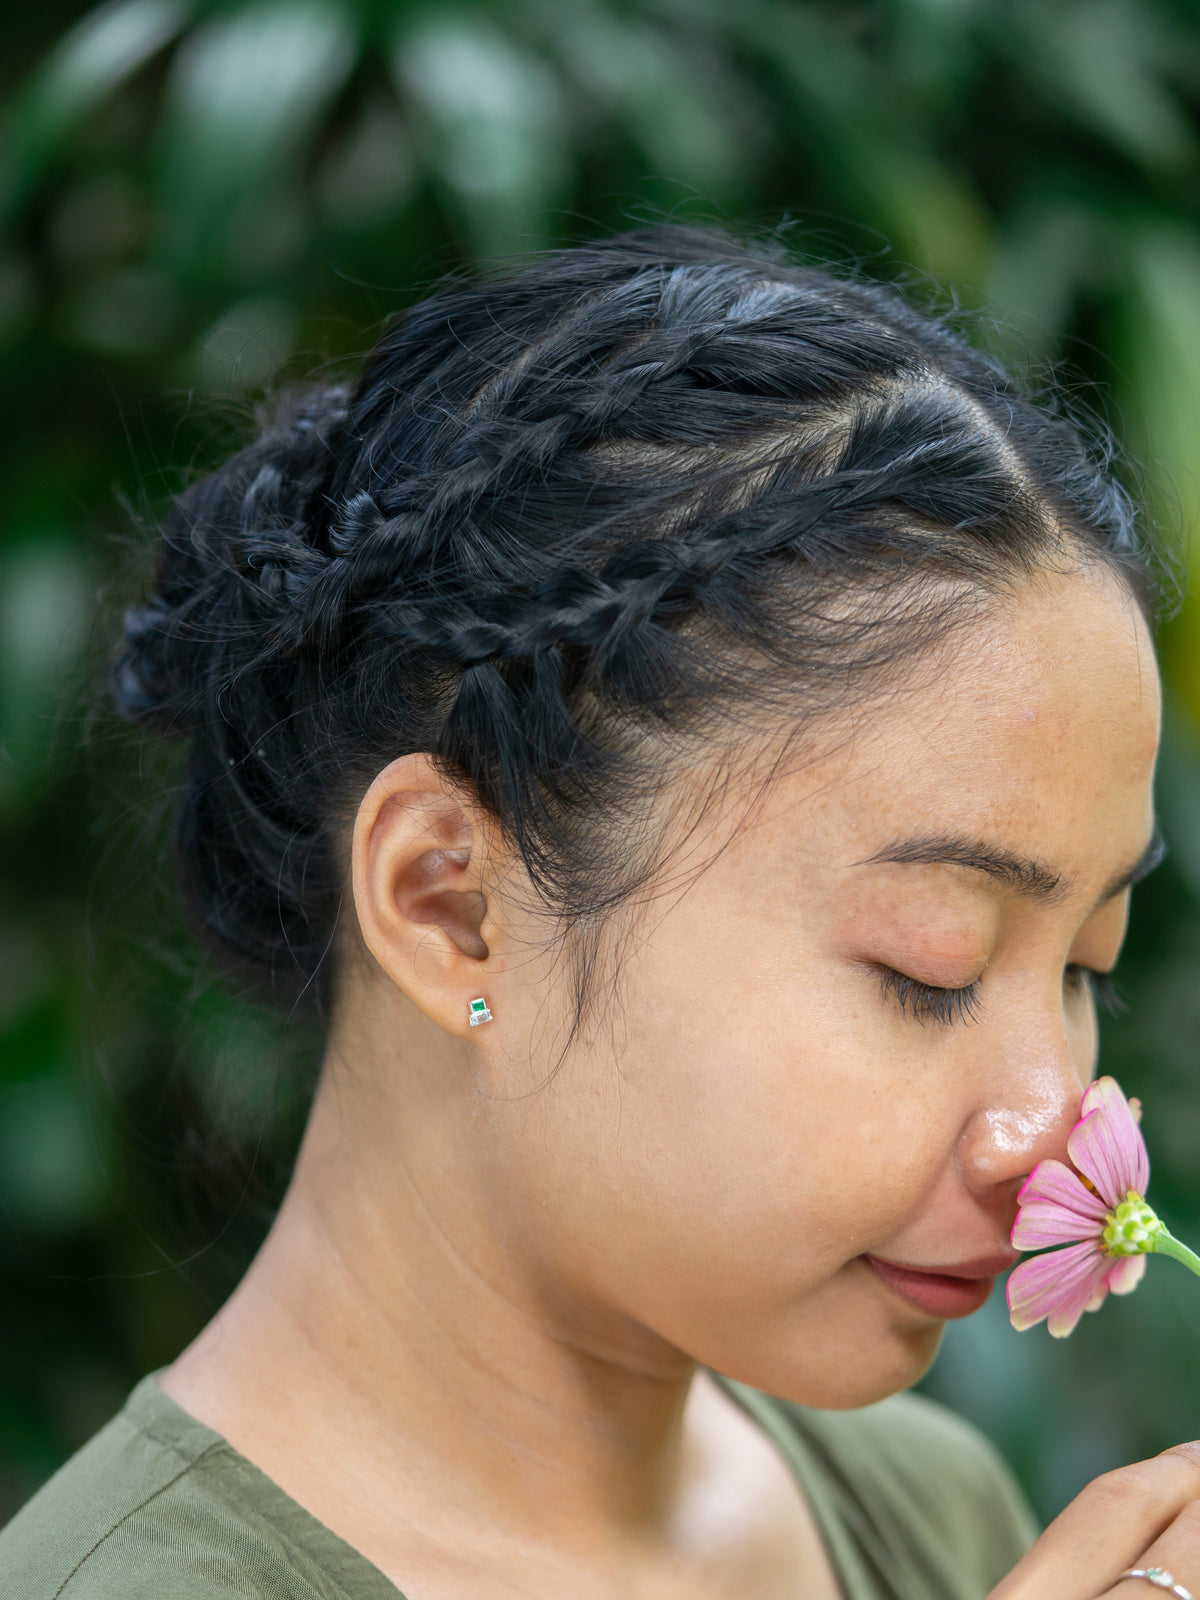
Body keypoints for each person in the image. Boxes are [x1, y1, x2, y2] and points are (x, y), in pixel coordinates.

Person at [3, 225, 1196, 1600]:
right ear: (450, 902)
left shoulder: (930, 1508)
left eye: (1085, 967)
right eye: (928, 968)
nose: (1054, 1133)